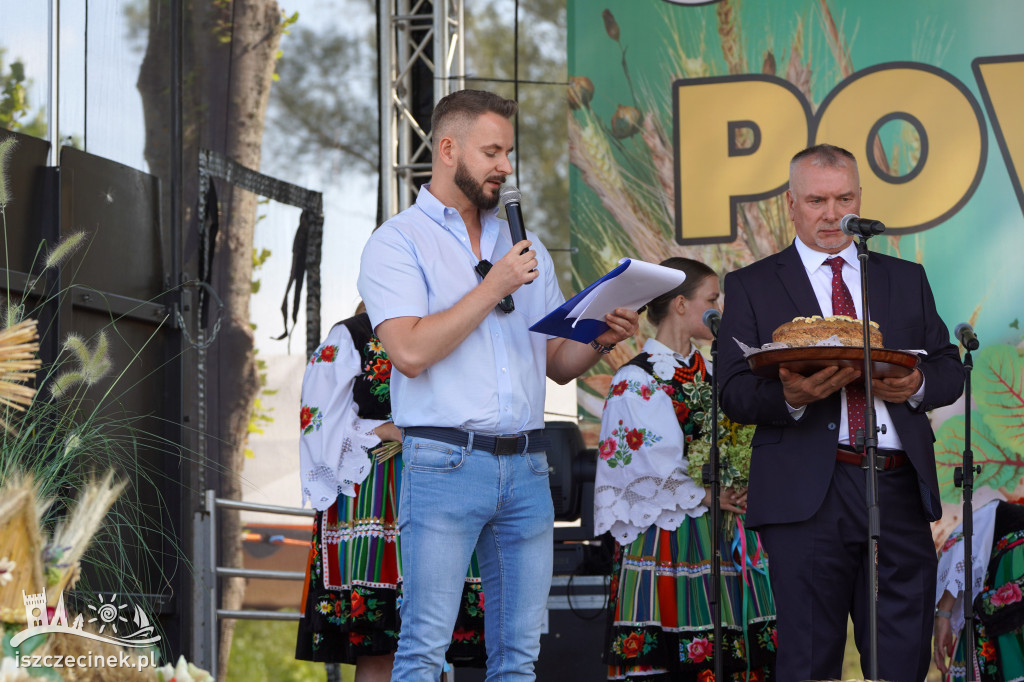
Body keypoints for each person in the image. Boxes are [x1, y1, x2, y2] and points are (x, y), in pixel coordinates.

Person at [357, 88, 639, 681]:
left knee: (519, 657)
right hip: (443, 463)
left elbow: (557, 363)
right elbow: (408, 352)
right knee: (424, 648)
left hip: (529, 466)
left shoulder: (525, 249)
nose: (505, 167)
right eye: (492, 152)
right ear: (448, 148)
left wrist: (603, 335)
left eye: (508, 152)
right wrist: (494, 285)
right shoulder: (398, 241)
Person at [717, 143, 966, 681]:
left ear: (860, 197)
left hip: (897, 486)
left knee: (902, 654)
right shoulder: (751, 285)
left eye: (844, 198)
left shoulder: (902, 278)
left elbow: (949, 366)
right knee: (809, 656)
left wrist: (918, 382)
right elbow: (732, 393)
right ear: (790, 204)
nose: (832, 214)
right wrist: (791, 398)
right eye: (817, 200)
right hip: (808, 491)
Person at [595, 257, 777, 680]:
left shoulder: (716, 373)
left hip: (729, 531)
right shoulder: (637, 380)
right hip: (672, 538)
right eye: (712, 299)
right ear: (679, 304)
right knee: (680, 657)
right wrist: (709, 494)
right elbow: (642, 467)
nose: (720, 309)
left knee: (737, 653)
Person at [294, 308, 486, 680]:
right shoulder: (352, 335)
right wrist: (387, 429)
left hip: (442, 486)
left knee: (435, 638)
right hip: (374, 491)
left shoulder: (447, 324)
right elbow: (317, 423)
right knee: (380, 644)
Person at [934, 499, 1024, 681]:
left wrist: (944, 614)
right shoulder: (1004, 514)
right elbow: (964, 548)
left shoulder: (1001, 514)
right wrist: (943, 614)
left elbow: (962, 548)